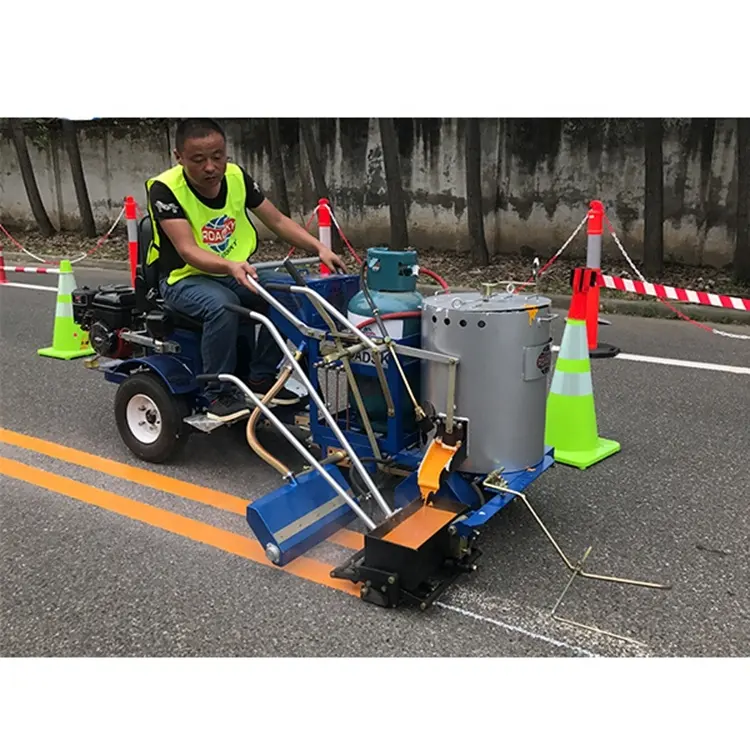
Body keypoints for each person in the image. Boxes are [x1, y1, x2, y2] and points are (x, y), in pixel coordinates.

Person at [145, 118, 346, 420]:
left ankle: (261, 377)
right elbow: (187, 250)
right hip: (184, 279)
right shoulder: (165, 189)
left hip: (233, 271)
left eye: (218, 156)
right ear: (179, 157)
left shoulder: (237, 176)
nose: (211, 167)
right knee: (223, 306)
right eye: (198, 160)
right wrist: (230, 265)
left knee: (290, 294)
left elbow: (277, 220)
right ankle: (218, 391)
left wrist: (319, 248)